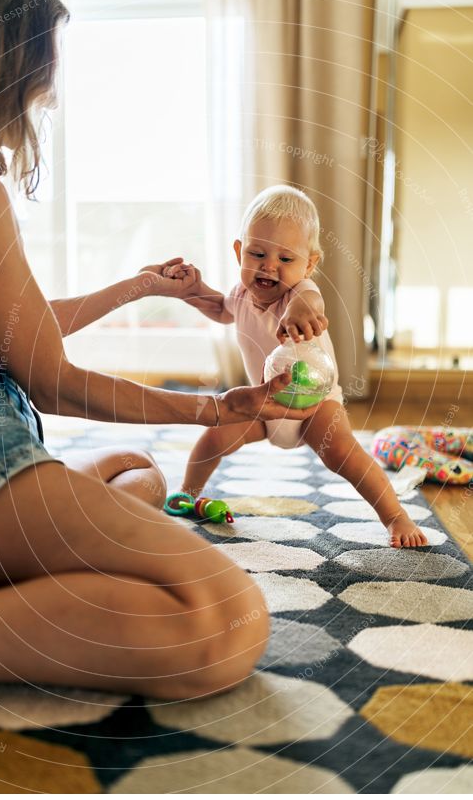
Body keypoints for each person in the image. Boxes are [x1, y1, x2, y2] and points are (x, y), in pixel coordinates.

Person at [0, 0, 319, 700]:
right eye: (41, 76)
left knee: (137, 472)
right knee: (224, 618)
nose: (47, 96)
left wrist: (139, 286)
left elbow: (12, 325)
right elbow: (50, 379)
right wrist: (212, 408)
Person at [162, 185, 428, 548]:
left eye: (286, 260)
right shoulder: (240, 295)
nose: (269, 266)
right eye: (257, 253)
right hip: (261, 404)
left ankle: (395, 515)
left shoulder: (300, 293)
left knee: (342, 454)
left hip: (314, 405)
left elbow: (309, 298)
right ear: (239, 251)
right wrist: (189, 289)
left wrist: (301, 309)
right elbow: (218, 308)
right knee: (214, 435)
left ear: (309, 264)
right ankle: (188, 493)